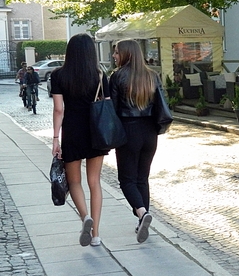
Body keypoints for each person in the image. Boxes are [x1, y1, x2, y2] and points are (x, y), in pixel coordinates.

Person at [51, 34, 108, 247]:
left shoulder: (59, 75)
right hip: (96, 132)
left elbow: (59, 109)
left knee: (74, 181)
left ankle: (85, 217)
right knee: (95, 182)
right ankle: (96, 235)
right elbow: (106, 104)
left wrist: (56, 138)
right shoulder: (100, 75)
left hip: (72, 132)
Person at [110, 39, 162, 243]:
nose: (114, 56)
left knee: (127, 180)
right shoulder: (152, 75)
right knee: (142, 178)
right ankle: (143, 220)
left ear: (126, 54)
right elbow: (160, 104)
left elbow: (112, 110)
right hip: (150, 132)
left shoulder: (117, 76)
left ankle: (142, 213)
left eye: (116, 52)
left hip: (128, 131)